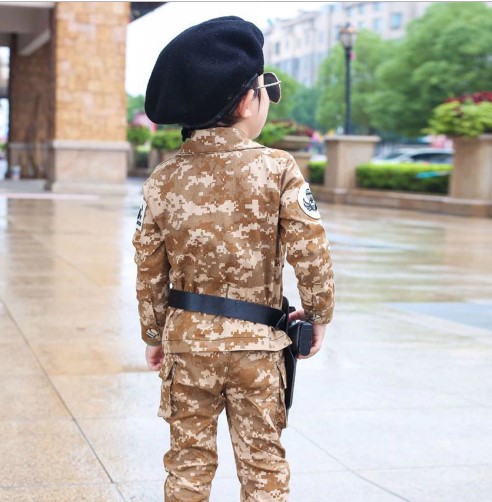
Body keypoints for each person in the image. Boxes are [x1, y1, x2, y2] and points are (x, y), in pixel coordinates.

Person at [133, 16, 334, 501]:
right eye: (268, 90)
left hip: (188, 346)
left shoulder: (162, 180)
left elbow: (149, 269)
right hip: (257, 347)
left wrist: (155, 334)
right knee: (263, 466)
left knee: (187, 466)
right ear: (247, 101)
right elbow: (311, 250)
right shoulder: (278, 168)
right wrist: (319, 314)